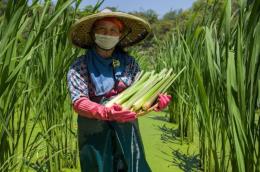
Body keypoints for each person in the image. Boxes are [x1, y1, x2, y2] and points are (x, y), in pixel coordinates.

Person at [67, 9, 172, 172]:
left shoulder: (130, 63)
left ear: (120, 35)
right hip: (95, 133)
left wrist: (155, 101)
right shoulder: (80, 65)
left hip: (127, 129)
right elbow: (78, 102)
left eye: (113, 30)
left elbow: (140, 92)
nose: (107, 34)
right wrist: (105, 112)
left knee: (132, 166)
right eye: (101, 29)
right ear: (93, 33)